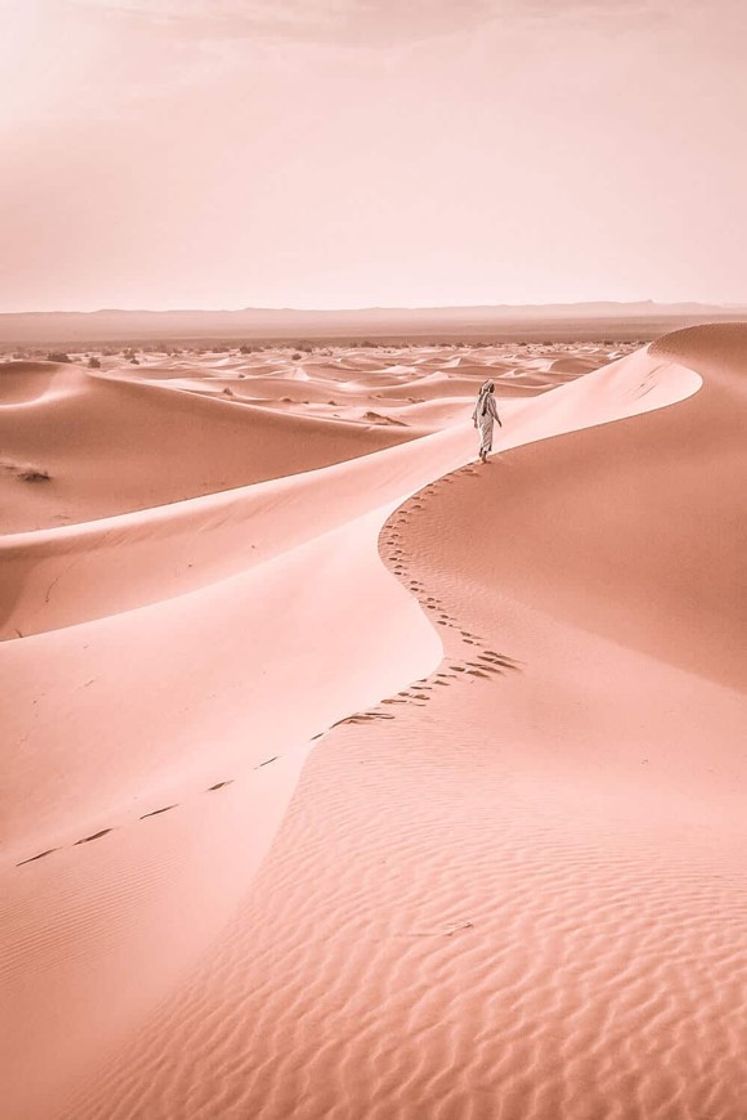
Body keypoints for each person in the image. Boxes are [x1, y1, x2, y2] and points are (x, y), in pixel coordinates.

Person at [472, 380, 502, 462]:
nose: (494, 389)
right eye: (493, 387)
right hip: (487, 420)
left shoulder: (479, 398)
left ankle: (481, 451)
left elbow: (475, 410)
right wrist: (498, 419)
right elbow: (493, 411)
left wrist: (475, 420)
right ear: (489, 388)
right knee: (488, 437)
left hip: (480, 420)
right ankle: (484, 456)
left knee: (483, 436)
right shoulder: (490, 398)